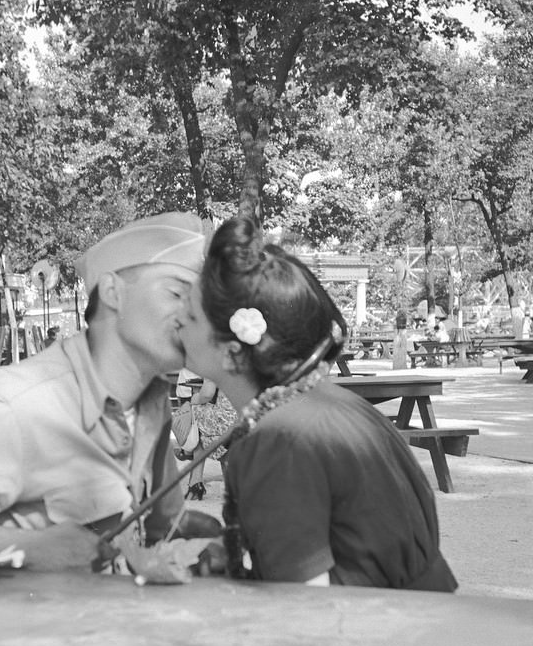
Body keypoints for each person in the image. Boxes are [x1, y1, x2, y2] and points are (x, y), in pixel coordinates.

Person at [0, 213, 219, 591]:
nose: (193, 315)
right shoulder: (20, 405)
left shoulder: (152, 404)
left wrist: (195, 542)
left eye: (198, 302)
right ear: (113, 292)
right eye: (177, 293)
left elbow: (154, 528)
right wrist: (23, 546)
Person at [179, 216, 456, 591]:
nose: (177, 319)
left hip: (383, 637)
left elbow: (305, 613)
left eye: (191, 315)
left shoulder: (280, 439)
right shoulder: (331, 401)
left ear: (231, 353)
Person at [170, 367, 218, 500]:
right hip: (198, 385)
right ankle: (194, 480)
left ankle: (188, 453)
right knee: (196, 432)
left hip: (194, 385)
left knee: (195, 433)